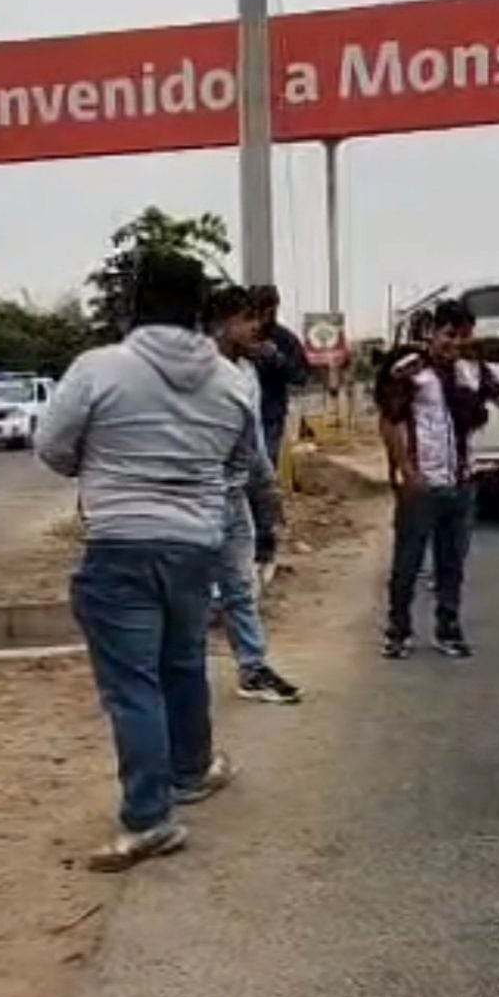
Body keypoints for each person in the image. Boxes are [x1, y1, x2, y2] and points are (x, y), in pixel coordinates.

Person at [35, 251, 265, 872]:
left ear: (134, 301)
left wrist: (105, 467)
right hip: (198, 544)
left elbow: (52, 447)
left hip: (121, 544)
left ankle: (150, 818)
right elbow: (247, 467)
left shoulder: (99, 368)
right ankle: (193, 771)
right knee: (183, 663)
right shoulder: (232, 381)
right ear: (199, 308)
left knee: (134, 683)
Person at [376, 299, 499, 661]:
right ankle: (398, 630)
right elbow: (389, 421)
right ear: (432, 332)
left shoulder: (472, 371)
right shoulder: (411, 371)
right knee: (408, 561)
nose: (454, 343)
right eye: (449, 334)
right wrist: (406, 470)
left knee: (452, 563)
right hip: (422, 484)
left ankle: (448, 627)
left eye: (462, 336)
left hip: (461, 481)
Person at [205, 286, 302, 703]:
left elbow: (254, 441)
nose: (257, 328)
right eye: (247, 320)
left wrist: (266, 490)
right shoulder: (196, 371)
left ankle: (252, 667)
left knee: (239, 585)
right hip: (198, 499)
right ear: (226, 323)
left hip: (235, 494)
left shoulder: (248, 371)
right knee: (189, 595)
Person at [246, 285, 310, 575]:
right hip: (238, 419)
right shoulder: (240, 336)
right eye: (256, 311)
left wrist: (276, 359)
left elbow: (301, 376)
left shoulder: (284, 339)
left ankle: (264, 544)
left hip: (269, 418)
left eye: (266, 310)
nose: (260, 318)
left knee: (264, 479)